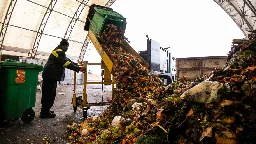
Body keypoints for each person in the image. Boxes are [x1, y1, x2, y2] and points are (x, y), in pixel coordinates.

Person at [40, 39, 85, 118]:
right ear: (64, 46)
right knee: (49, 94)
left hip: (50, 75)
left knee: (49, 94)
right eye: (67, 47)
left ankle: (45, 110)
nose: (67, 48)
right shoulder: (59, 52)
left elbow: (66, 59)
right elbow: (65, 63)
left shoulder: (58, 51)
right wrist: (78, 69)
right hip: (50, 76)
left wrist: (74, 63)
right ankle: (44, 113)